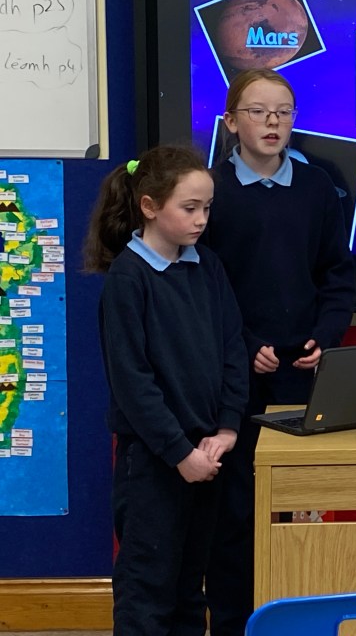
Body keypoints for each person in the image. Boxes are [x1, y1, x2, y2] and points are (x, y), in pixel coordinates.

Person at [202, 68, 356, 636]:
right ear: (230, 122)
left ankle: (284, 621)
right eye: (258, 111)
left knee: (287, 506)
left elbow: (336, 274)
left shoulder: (317, 187)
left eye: (283, 112)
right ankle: (233, 623)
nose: (272, 122)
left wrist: (326, 335)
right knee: (234, 509)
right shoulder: (211, 192)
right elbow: (205, 287)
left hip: (299, 373)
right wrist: (245, 347)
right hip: (232, 378)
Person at [83, 146, 248, 636]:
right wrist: (179, 452)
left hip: (206, 453)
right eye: (189, 208)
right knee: (147, 591)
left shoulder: (208, 266)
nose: (201, 220)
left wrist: (227, 428)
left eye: (207, 208)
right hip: (154, 463)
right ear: (150, 207)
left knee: (188, 591)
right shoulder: (128, 278)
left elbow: (232, 349)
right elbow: (132, 382)